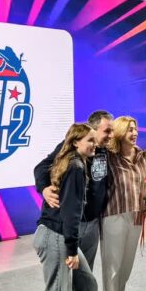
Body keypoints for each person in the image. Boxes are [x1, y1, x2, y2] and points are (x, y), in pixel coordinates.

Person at [33, 123, 118, 291]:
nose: (95, 144)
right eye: (90, 140)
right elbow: (70, 212)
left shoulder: (75, 161)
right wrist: (71, 249)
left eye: (94, 140)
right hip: (56, 235)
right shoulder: (76, 167)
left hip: (60, 234)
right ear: (75, 143)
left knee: (87, 284)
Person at [34, 110, 113, 270]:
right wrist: (44, 189)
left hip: (92, 223)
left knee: (85, 273)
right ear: (92, 129)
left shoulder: (106, 150)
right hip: (74, 223)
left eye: (112, 131)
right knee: (66, 274)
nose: (111, 136)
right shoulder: (71, 151)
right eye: (107, 131)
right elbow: (41, 167)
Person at [101, 116, 146, 291]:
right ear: (120, 132)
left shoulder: (142, 156)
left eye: (135, 129)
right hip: (114, 214)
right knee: (113, 265)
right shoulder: (109, 156)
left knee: (126, 265)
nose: (134, 133)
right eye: (130, 129)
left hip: (136, 215)